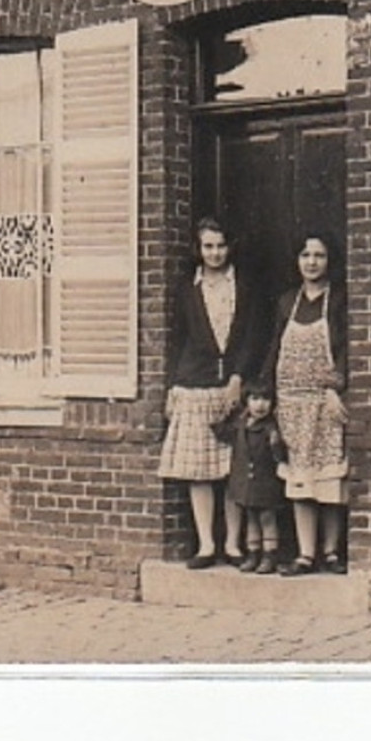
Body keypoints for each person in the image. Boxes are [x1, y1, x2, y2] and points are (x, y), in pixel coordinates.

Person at [158, 218, 260, 569]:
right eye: (208, 247)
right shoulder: (187, 288)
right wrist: (173, 384)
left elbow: (251, 335)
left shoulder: (244, 286)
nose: (215, 253)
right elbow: (177, 338)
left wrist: (238, 377)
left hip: (231, 386)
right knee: (199, 469)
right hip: (194, 384)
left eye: (220, 246)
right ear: (198, 250)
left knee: (231, 468)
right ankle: (206, 544)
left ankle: (233, 545)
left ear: (230, 247)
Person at [263, 231, 348, 576]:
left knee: (328, 477)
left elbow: (346, 349)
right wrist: (265, 391)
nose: (311, 262)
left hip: (325, 400)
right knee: (300, 477)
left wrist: (337, 386)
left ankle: (330, 551)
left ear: (330, 261)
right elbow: (274, 348)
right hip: (292, 401)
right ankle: (305, 552)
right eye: (305, 255)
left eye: (319, 255)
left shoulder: (339, 299)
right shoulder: (287, 302)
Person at [223, 380, 287, 574]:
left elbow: (280, 455)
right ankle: (253, 553)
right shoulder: (241, 425)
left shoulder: (271, 428)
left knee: (267, 517)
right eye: (255, 399)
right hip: (246, 480)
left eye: (266, 400)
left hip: (265, 480)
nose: (260, 405)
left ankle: (270, 554)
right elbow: (221, 430)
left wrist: (277, 447)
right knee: (250, 517)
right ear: (247, 402)